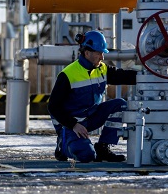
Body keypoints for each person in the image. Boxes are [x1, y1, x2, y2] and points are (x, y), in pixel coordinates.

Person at [48, 30, 137, 163]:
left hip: (91, 117)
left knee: (120, 104)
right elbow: (52, 106)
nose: (102, 57)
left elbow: (124, 76)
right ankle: (62, 145)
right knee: (87, 156)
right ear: (87, 53)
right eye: (99, 53)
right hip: (71, 124)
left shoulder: (101, 68)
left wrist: (149, 75)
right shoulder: (68, 74)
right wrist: (73, 125)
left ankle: (103, 148)